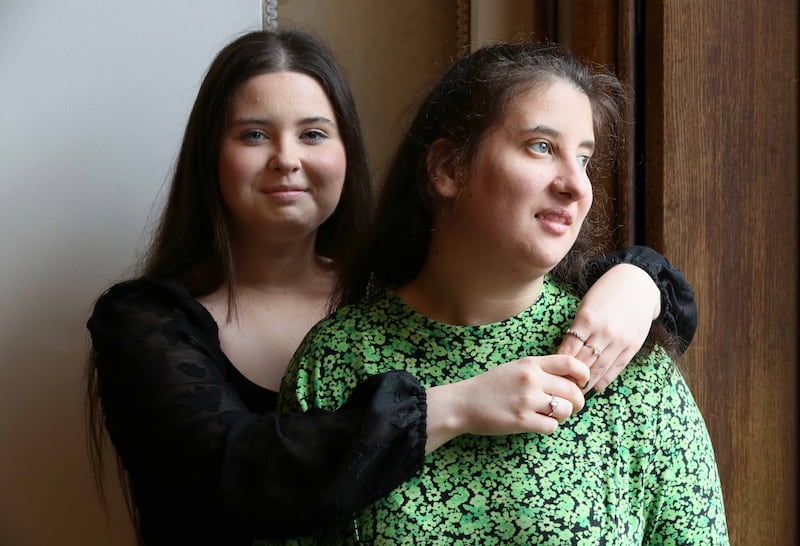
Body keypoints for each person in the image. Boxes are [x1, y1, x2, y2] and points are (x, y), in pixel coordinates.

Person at [85, 31, 700, 546]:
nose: (286, 159)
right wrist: (454, 406)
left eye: (314, 134)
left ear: (348, 153)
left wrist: (642, 280)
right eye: (253, 134)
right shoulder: (157, 324)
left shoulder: (389, 288)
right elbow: (227, 472)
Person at [275, 41, 728, 544]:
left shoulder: (623, 360)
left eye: (584, 159)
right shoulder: (337, 357)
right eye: (541, 146)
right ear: (448, 169)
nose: (576, 185)